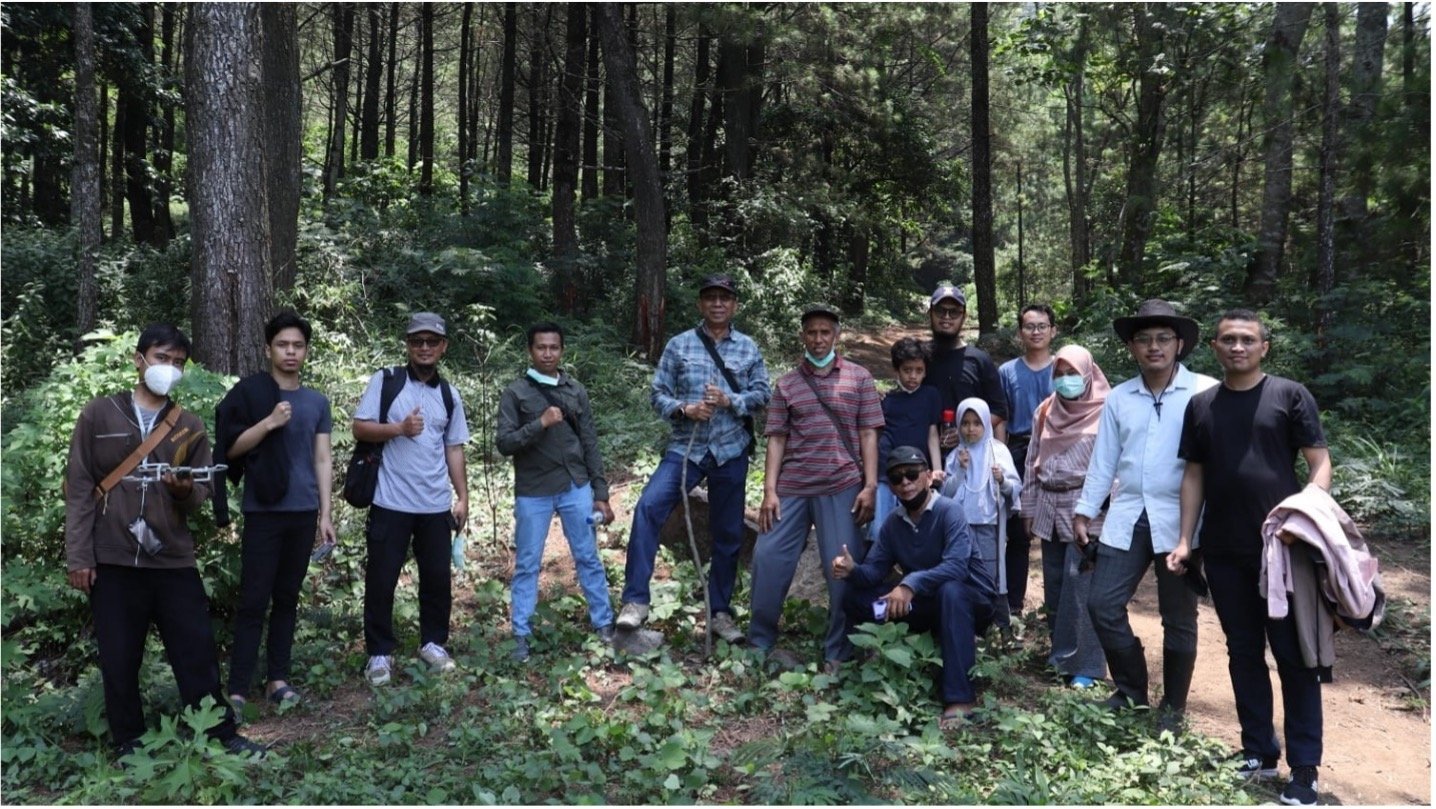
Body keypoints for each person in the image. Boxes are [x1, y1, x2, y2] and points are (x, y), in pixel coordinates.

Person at [64, 324, 264, 759]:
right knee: (119, 658)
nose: (168, 369)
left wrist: (181, 490)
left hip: (172, 558)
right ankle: (128, 743)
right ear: (139, 359)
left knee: (196, 649)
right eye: (161, 358)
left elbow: (202, 495)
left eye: (177, 363)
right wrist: (79, 554)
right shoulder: (99, 414)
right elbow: (79, 486)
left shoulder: (189, 426)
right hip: (112, 557)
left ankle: (218, 733)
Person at [1174, 310, 1332, 806]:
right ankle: (1259, 751)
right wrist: (1185, 540)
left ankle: (1303, 770)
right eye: (1228, 340)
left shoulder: (1289, 396)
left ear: (1264, 347)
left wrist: (1299, 520)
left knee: (1294, 659)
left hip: (1282, 552)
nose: (1237, 347)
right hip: (1223, 551)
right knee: (1243, 653)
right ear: (1215, 349)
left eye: (1247, 340)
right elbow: (1194, 475)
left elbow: (1319, 463)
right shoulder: (1201, 406)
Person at [1073, 299, 1216, 721]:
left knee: (1178, 617)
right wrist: (1085, 510)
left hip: (1183, 519)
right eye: (1144, 340)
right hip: (1129, 513)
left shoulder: (1204, 391)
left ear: (1179, 344)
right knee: (1102, 603)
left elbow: (1216, 461)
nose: (1154, 347)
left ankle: (1173, 707)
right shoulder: (1119, 398)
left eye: (1163, 339)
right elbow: (1104, 460)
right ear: (1132, 347)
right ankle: (1131, 691)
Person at [616, 275, 771, 643]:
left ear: (734, 305)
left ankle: (719, 612)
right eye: (711, 298)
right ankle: (635, 601)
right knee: (649, 508)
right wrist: (685, 409)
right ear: (701, 304)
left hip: (730, 451)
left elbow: (763, 394)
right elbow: (658, 394)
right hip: (686, 448)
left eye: (725, 298)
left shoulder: (748, 348)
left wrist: (730, 401)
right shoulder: (679, 345)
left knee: (728, 533)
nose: (718, 304)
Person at [747, 304, 884, 671]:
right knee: (767, 558)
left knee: (841, 568)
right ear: (803, 336)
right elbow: (776, 439)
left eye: (825, 332)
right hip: (792, 487)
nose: (819, 339)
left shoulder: (859, 378)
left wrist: (870, 485)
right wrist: (769, 491)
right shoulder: (787, 384)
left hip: (842, 485)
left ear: (837, 336)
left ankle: (838, 652)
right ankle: (759, 642)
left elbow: (869, 433)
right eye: (812, 332)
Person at [217, 311, 335, 710]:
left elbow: (322, 459)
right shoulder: (253, 395)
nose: (290, 352)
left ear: (305, 351)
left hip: (303, 511)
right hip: (263, 511)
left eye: (297, 346)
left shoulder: (317, 401)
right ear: (268, 349)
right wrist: (268, 422)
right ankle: (237, 686)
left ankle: (277, 679)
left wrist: (326, 514)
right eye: (283, 345)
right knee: (254, 599)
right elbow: (231, 448)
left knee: (287, 597)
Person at [833, 446, 996, 722]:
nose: (905, 483)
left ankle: (960, 699)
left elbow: (957, 567)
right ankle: (869, 655)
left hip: (970, 602)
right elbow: (873, 572)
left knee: (950, 591)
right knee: (856, 598)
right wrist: (852, 570)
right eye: (897, 478)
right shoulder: (893, 524)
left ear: (929, 476)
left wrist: (909, 584)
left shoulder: (949, 511)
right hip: (923, 605)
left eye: (911, 474)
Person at [353, 313, 470, 685]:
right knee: (381, 579)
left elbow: (454, 448)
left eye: (431, 341)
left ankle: (433, 642)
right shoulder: (386, 381)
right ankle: (379, 653)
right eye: (417, 341)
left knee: (437, 578)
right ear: (407, 344)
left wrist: (463, 497)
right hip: (390, 501)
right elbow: (360, 426)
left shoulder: (449, 395)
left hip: (435, 504)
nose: (424, 348)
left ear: (443, 347)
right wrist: (398, 429)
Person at [496, 322, 617, 662]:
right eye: (541, 347)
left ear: (562, 350)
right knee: (528, 565)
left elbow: (590, 442)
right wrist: (540, 423)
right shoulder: (516, 392)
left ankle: (604, 625)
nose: (547, 353)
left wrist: (601, 491)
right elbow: (504, 443)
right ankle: (521, 635)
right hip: (533, 490)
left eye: (553, 347)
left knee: (588, 557)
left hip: (575, 485)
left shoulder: (575, 390)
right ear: (530, 351)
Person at [1021, 344, 1109, 689]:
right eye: (1059, 372)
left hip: (1086, 508)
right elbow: (1032, 460)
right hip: (1048, 504)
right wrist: (1027, 508)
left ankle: (1086, 666)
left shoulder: (1107, 410)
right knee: (1056, 584)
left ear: (1088, 373)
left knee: (1083, 586)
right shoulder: (1046, 410)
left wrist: (1096, 510)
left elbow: (1115, 467)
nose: (1065, 379)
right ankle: (1060, 657)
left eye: (1072, 372)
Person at [939, 397, 1020, 630]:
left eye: (977, 423)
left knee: (989, 572)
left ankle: (997, 625)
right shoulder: (956, 455)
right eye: (965, 423)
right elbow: (946, 493)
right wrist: (961, 471)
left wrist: (1002, 480)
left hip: (987, 524)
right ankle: (969, 623)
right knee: (963, 570)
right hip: (960, 527)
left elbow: (1014, 488)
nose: (971, 428)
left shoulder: (998, 452)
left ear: (986, 424)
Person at [998, 303, 1057, 617]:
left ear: (1053, 331)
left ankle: (1057, 609)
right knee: (1019, 532)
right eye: (1029, 326)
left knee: (1056, 531)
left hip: (1058, 454)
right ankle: (1014, 606)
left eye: (1042, 326)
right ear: (1020, 332)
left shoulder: (1064, 367)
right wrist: (1000, 457)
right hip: (1019, 451)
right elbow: (1001, 420)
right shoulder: (1007, 371)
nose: (1036, 332)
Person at [871, 337, 944, 541]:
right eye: (907, 370)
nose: (913, 376)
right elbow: (875, 437)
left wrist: (936, 469)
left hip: (917, 472)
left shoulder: (931, 395)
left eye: (919, 370)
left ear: (925, 371)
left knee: (918, 529)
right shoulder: (887, 400)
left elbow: (932, 434)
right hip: (886, 474)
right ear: (897, 370)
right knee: (880, 529)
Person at [923, 283, 1008, 449]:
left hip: (971, 453)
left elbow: (998, 410)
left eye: (954, 312)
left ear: (964, 316)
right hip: (924, 455)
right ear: (930, 313)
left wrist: (965, 431)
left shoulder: (979, 360)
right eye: (940, 310)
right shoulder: (920, 357)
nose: (946, 317)